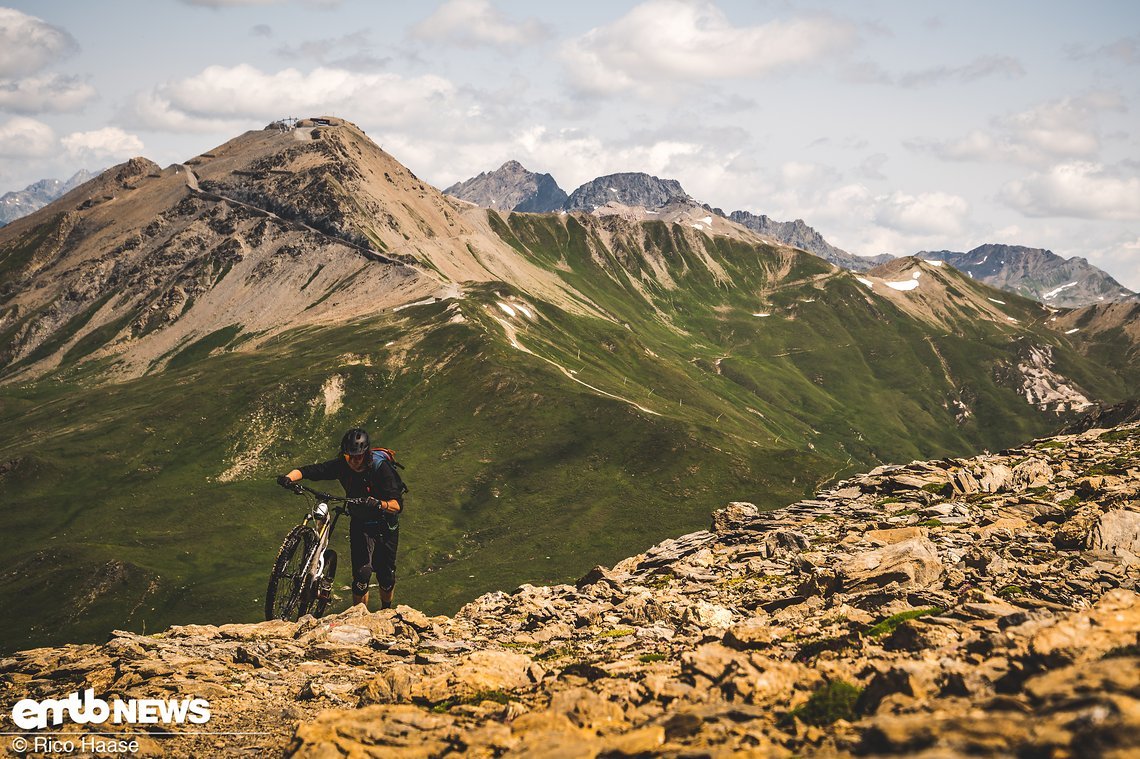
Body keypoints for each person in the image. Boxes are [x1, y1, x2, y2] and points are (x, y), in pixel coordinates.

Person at [277, 428, 405, 610]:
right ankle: (359, 619)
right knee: (362, 575)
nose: (354, 461)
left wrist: (378, 504)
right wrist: (289, 478)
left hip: (385, 525)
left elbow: (397, 505)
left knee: (386, 576)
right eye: (349, 456)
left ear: (366, 453)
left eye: (358, 456)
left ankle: (386, 610)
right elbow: (311, 471)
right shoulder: (342, 466)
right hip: (360, 524)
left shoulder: (380, 469)